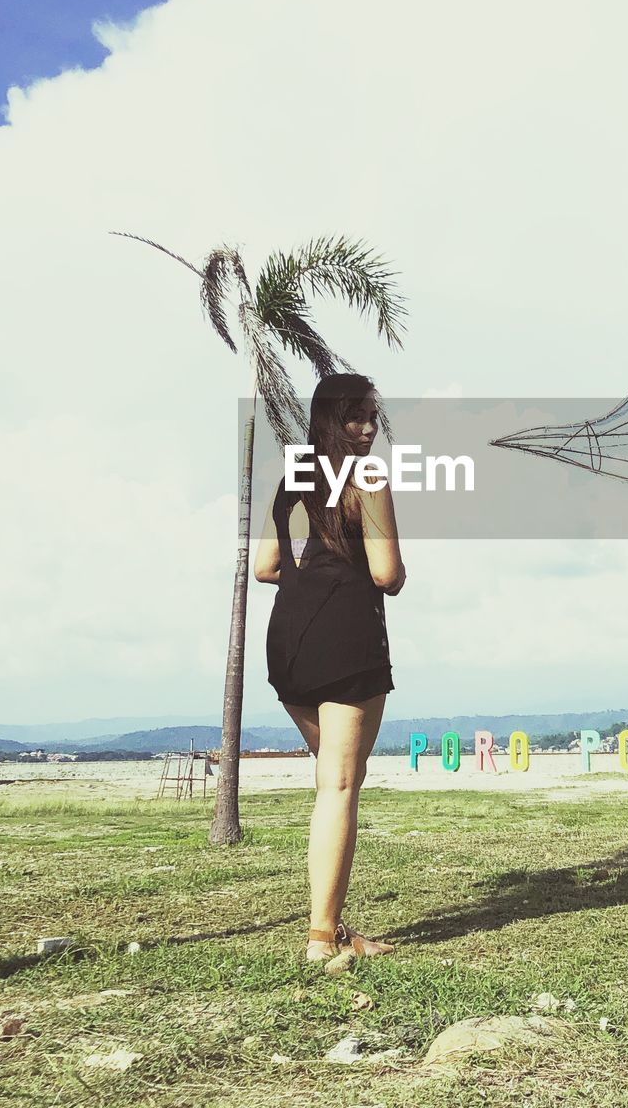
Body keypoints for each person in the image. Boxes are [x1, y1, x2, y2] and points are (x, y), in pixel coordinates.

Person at [253, 372, 406, 965]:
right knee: (340, 785)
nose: (367, 428)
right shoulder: (367, 476)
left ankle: (331, 926)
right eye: (355, 417)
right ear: (330, 419)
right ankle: (322, 936)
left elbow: (268, 565)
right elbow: (386, 573)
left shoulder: (294, 473)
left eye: (371, 416)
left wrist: (312, 570)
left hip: (288, 641)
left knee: (330, 781)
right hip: (346, 639)